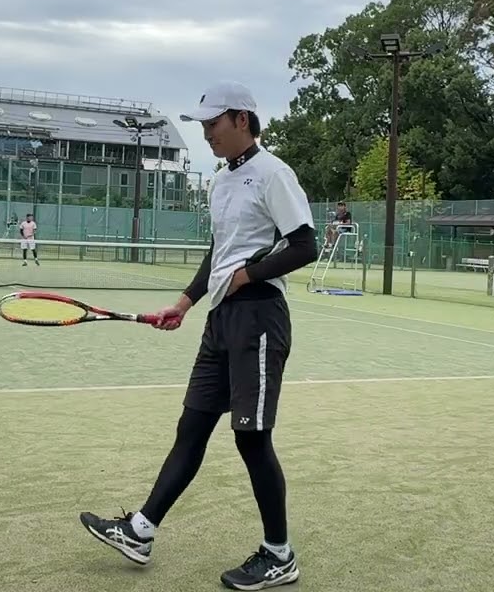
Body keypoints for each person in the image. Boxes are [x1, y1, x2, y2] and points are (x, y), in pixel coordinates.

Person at [79, 81, 317, 590]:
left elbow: (304, 245)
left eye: (212, 124)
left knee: (252, 440)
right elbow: (220, 251)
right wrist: (185, 303)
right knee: (191, 428)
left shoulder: (274, 173)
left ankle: (280, 554)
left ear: (241, 120)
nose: (206, 133)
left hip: (258, 319)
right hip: (219, 321)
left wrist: (249, 276)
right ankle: (140, 531)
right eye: (204, 125)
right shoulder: (222, 181)